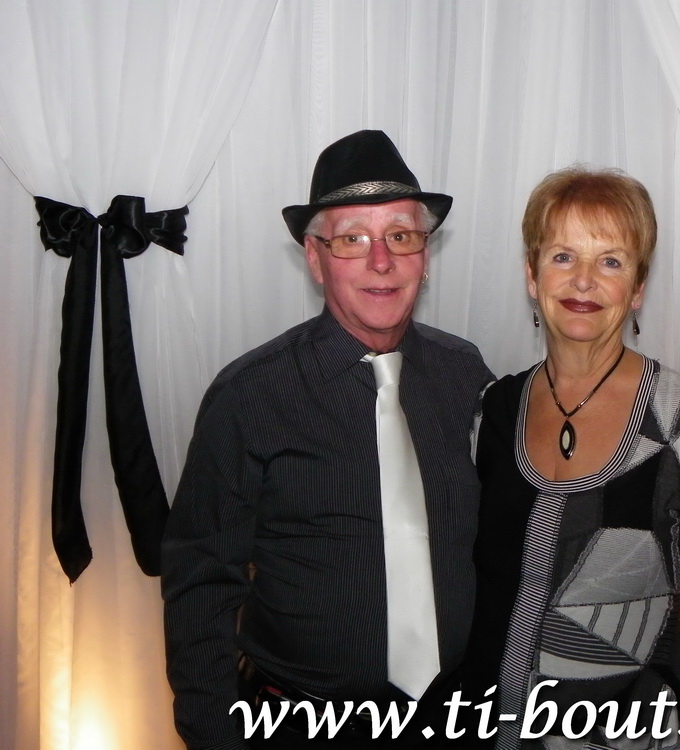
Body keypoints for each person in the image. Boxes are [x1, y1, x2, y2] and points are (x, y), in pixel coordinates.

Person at [162, 130, 494, 749]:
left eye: (401, 236)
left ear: (425, 256)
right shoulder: (248, 397)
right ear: (314, 260)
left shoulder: (466, 375)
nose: (381, 261)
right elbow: (201, 588)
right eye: (352, 239)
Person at [463, 167, 680, 750]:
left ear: (638, 288)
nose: (584, 280)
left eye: (610, 261)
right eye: (563, 257)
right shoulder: (492, 410)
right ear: (532, 275)